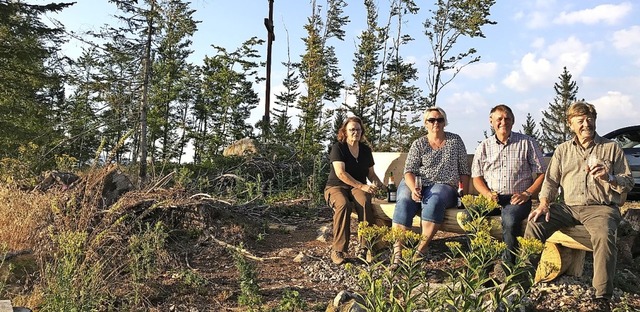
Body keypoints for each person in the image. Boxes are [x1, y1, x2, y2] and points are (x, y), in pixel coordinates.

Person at [525, 101, 633, 308]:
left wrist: (609, 177)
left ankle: (602, 296)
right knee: (535, 222)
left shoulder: (611, 148)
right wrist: (544, 203)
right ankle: (522, 282)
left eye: (590, 119)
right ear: (571, 124)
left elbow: (628, 181)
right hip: (568, 207)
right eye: (580, 120)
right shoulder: (562, 150)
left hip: (600, 208)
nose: (586, 124)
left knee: (603, 234)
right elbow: (550, 181)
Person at [391, 107, 470, 266]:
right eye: (431, 120)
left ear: (445, 122)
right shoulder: (419, 143)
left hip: (444, 184)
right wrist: (413, 188)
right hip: (418, 182)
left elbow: (464, 170)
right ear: (425, 123)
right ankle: (398, 252)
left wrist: (464, 196)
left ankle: (421, 250)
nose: (436, 123)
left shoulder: (455, 141)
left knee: (434, 200)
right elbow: (409, 171)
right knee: (404, 200)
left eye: (439, 120)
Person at [471, 104, 546, 266]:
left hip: (517, 198)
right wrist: (487, 194)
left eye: (507, 119)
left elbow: (542, 174)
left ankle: (508, 266)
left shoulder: (527, 143)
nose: (503, 122)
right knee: (472, 217)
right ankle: (482, 264)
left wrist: (527, 193)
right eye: (499, 119)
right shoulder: (484, 146)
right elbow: (476, 178)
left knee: (510, 220)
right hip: (492, 197)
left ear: (513, 121)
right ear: (491, 122)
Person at [324, 116, 386, 265]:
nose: (355, 132)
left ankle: (367, 247)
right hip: (336, 186)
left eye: (358, 129)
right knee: (343, 204)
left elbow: (371, 174)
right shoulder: (338, 148)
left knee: (365, 202)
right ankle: (338, 249)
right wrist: (362, 186)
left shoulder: (365, 150)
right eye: (352, 129)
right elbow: (340, 173)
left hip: (357, 188)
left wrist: (383, 187)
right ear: (345, 131)